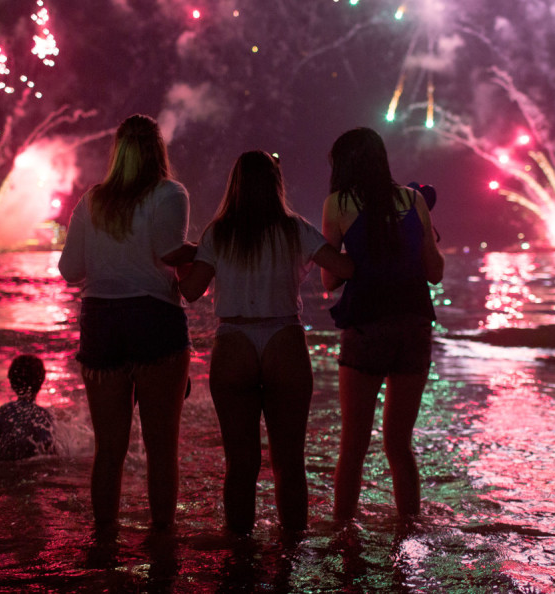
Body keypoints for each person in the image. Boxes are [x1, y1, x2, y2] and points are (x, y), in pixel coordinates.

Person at [178, 150, 353, 535]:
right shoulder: (295, 229)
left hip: (234, 341)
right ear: (276, 186)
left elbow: (191, 291)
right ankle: (290, 554)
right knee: (289, 462)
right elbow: (344, 269)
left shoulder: (218, 233)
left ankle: (240, 559)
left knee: (240, 464)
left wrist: (181, 259)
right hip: (284, 340)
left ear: (234, 185)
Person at [58, 114, 194, 533]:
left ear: (117, 152)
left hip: (100, 323)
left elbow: (70, 270)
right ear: (157, 151)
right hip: (155, 321)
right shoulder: (170, 194)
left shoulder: (91, 201)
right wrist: (197, 251)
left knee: (109, 449)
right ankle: (161, 545)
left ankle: (104, 543)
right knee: (161, 448)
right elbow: (169, 252)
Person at [321, 127, 444, 525]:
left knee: (353, 444)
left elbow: (330, 280)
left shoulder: (337, 203)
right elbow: (435, 273)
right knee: (399, 444)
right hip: (413, 326)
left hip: (366, 325)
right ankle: (409, 529)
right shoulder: (413, 199)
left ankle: (343, 533)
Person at [0, 354, 56, 460]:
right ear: (41, 382)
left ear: (11, 383)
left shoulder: (4, 411)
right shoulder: (43, 415)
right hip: (34, 466)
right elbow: (50, 452)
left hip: (6, 465)